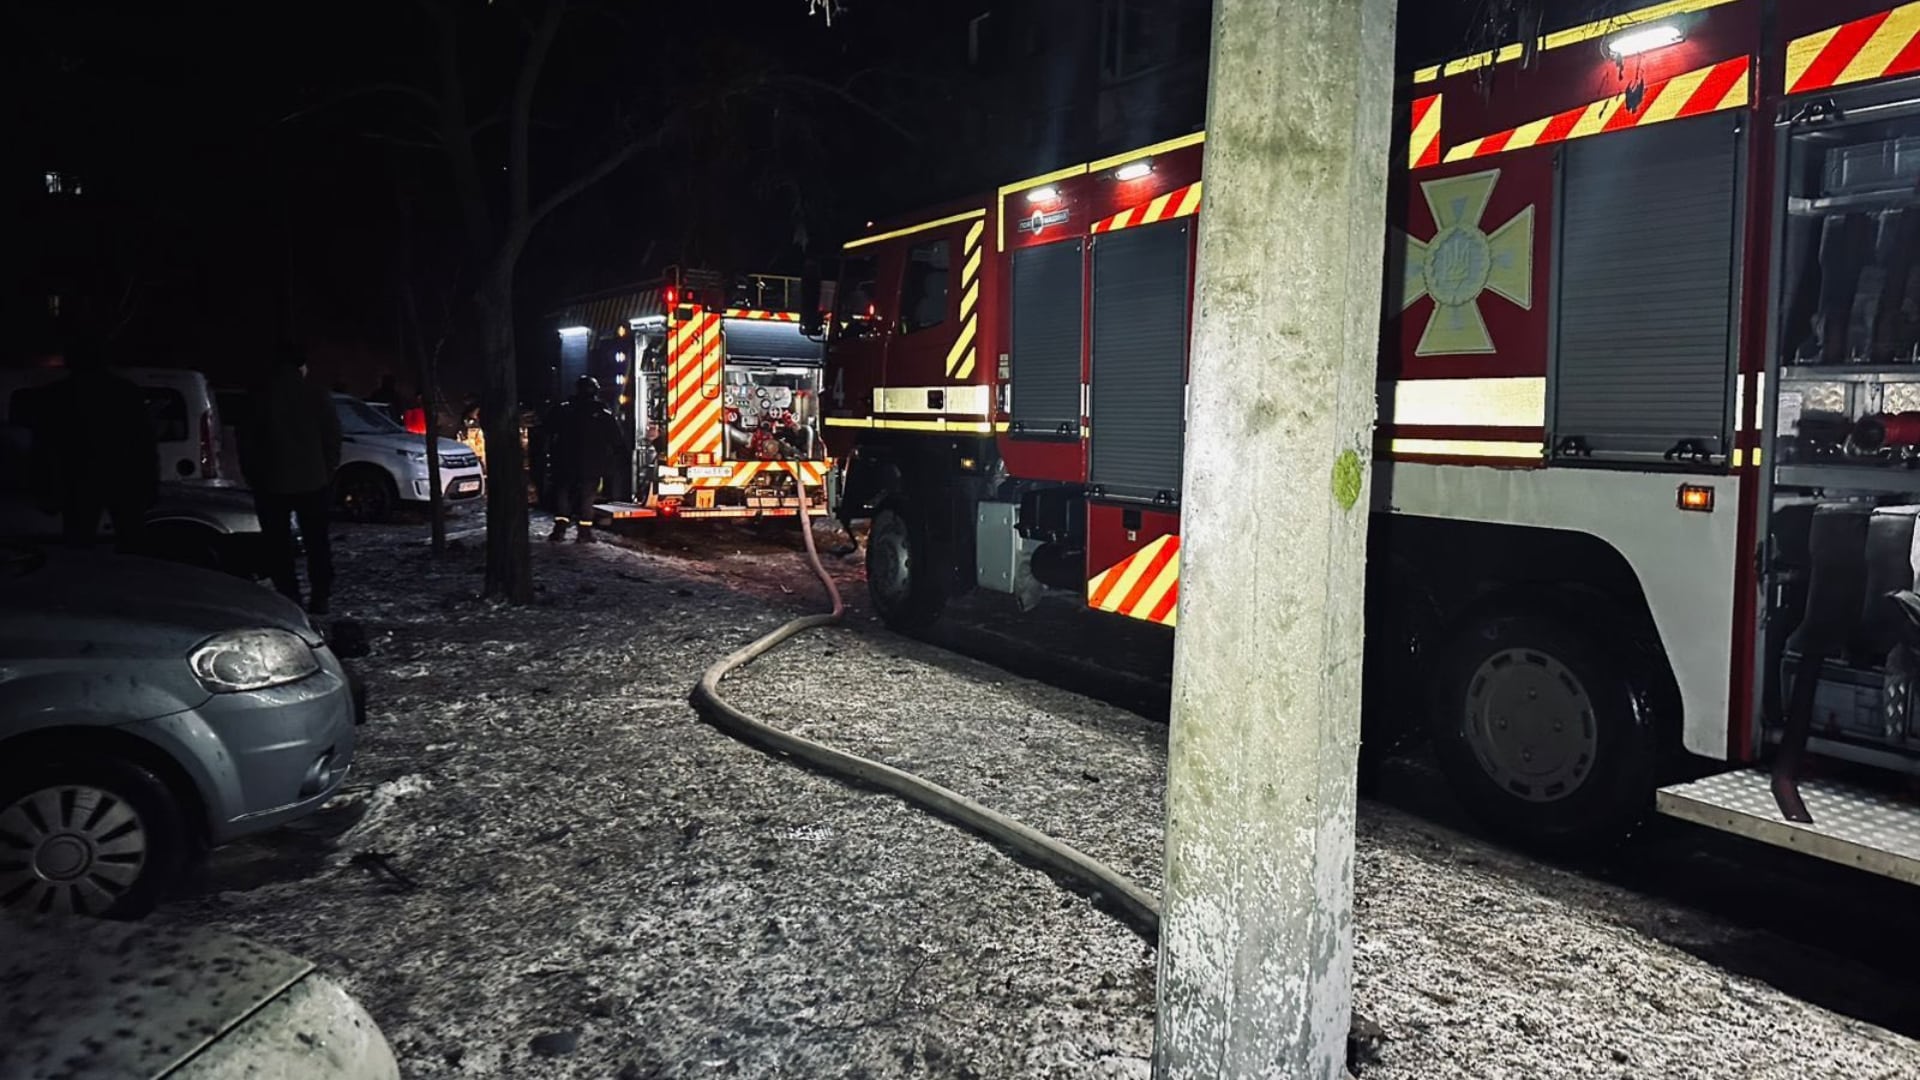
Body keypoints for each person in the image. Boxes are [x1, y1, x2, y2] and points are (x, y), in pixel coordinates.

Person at [24, 337, 158, 551]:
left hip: (79, 479)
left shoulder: (57, 395)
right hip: (121, 477)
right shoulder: (125, 392)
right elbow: (145, 443)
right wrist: (150, 483)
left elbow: (43, 446)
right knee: (131, 542)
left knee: (79, 542)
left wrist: (45, 488)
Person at [240, 344, 342, 613]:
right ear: (301, 366)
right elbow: (332, 437)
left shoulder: (260, 395)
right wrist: (327, 470)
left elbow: (247, 441)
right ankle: (320, 594)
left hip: (271, 481)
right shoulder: (316, 394)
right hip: (313, 481)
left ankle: (288, 595)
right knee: (317, 541)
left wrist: (253, 474)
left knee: (278, 545)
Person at [543, 376, 622, 543]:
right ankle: (584, 533)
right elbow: (616, 440)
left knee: (563, 496)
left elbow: (546, 430)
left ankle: (559, 531)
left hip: (565, 464)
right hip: (591, 466)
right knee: (587, 498)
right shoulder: (602, 414)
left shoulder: (563, 410)